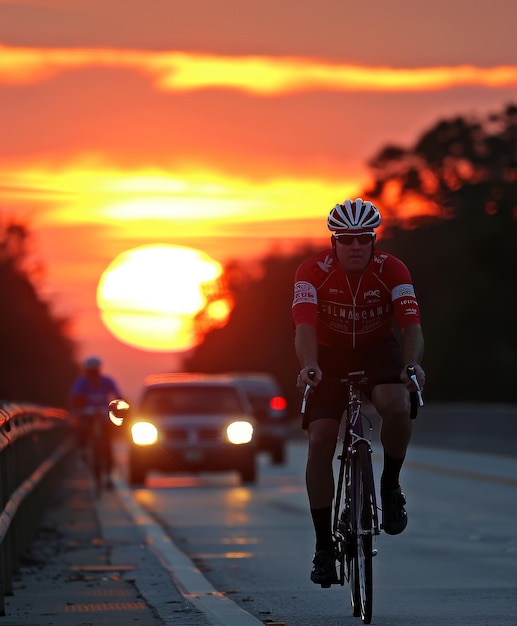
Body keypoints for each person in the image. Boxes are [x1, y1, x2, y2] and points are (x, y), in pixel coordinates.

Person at [292, 198, 425, 587]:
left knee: (397, 405)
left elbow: (411, 324)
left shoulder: (393, 270)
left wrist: (412, 364)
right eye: (346, 239)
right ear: (334, 242)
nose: (355, 247)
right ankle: (323, 548)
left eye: (363, 239)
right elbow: (304, 326)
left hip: (376, 349)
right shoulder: (310, 272)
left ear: (373, 242)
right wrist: (309, 366)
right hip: (327, 354)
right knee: (319, 440)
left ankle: (390, 483)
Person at [69, 356, 125, 489]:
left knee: (108, 443)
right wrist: (76, 409)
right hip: (88, 413)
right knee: (81, 426)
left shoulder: (107, 381)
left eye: (95, 371)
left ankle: (108, 476)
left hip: (104, 414)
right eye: (90, 372)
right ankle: (83, 452)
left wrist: (119, 406)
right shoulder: (82, 382)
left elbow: (118, 395)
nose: (93, 375)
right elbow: (75, 396)